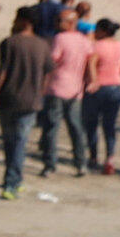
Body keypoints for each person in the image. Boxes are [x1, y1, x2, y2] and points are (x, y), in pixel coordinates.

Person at [0, 6, 52, 199]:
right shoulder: (43, 45)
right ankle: (16, 179)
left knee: (11, 142)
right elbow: (48, 72)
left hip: (9, 98)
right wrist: (41, 92)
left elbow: (3, 72)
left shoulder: (10, 43)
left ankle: (11, 183)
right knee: (19, 142)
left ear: (25, 21)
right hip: (31, 100)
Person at [36, 9, 93, 177]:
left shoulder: (59, 39)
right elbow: (91, 59)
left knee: (52, 127)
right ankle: (81, 163)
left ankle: (50, 164)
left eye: (60, 20)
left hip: (57, 88)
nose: (56, 23)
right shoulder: (84, 40)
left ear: (70, 22)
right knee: (75, 127)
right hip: (75, 90)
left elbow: (52, 61)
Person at [81, 4, 120, 175]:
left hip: (98, 86)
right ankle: (110, 157)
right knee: (110, 125)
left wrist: (92, 80)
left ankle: (93, 156)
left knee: (91, 123)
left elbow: (91, 63)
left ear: (101, 31)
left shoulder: (96, 46)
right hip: (116, 86)